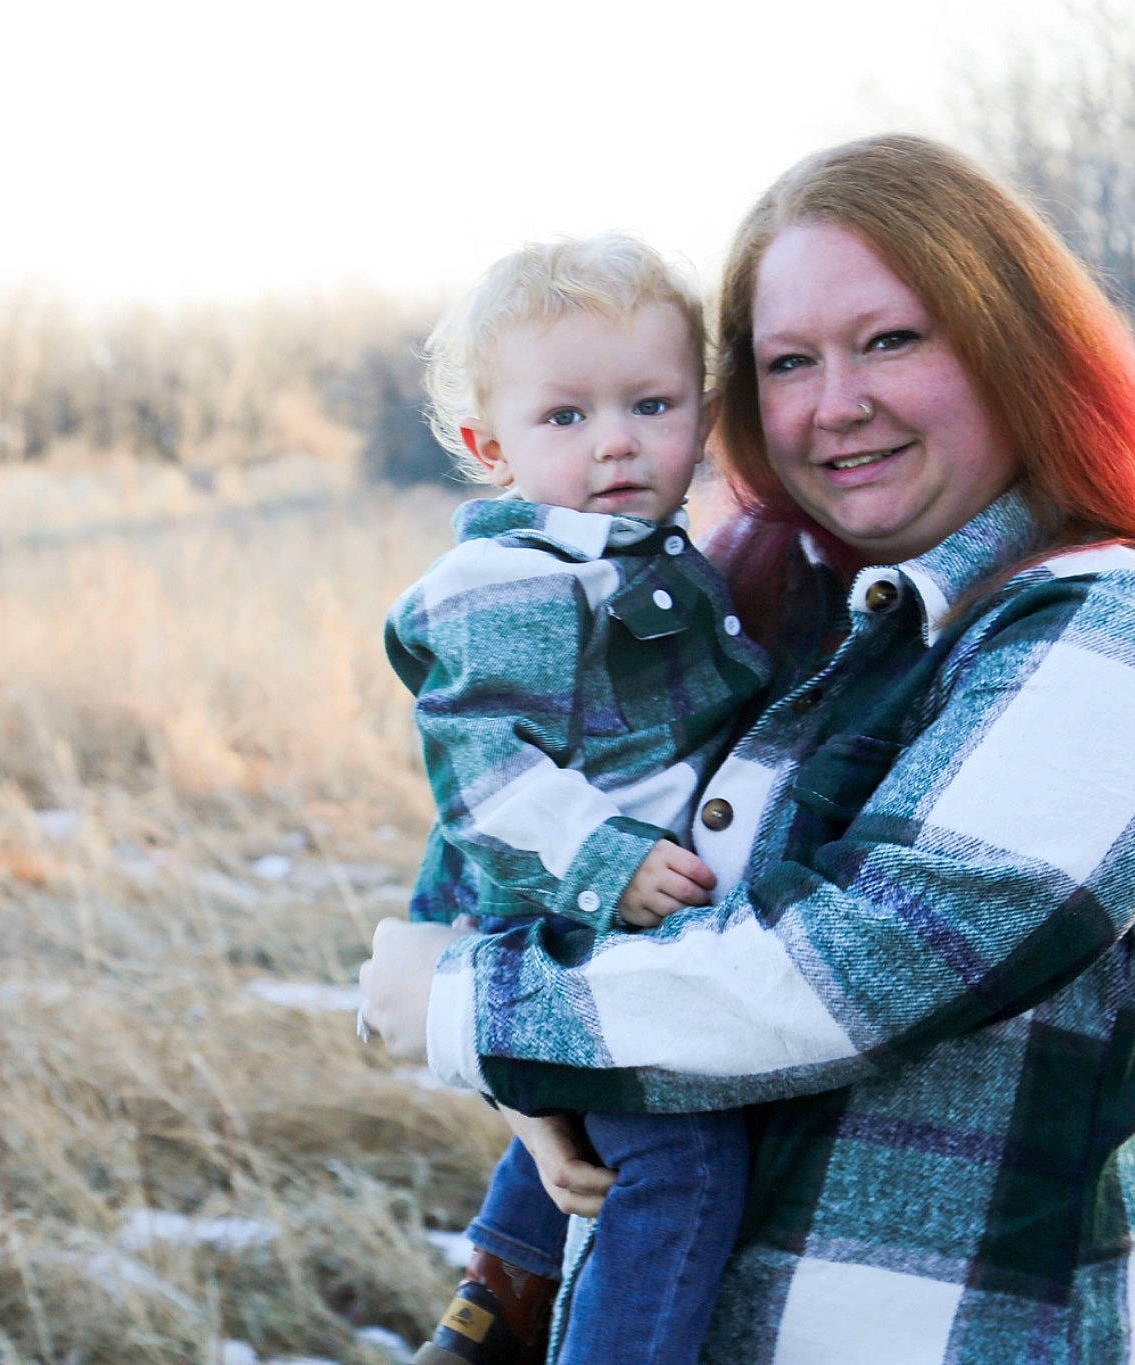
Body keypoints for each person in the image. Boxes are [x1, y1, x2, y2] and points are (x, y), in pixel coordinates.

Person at [360, 132, 1135, 1364]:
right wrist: (527, 1072)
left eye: (891, 340)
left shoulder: (1120, 632)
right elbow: (566, 861)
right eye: (788, 361)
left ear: (1014, 345)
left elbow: (848, 973)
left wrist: (470, 1006)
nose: (834, 403)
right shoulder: (779, 616)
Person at [385, 233, 773, 1365]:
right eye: (564, 418)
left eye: (649, 404)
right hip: (565, 910)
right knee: (679, 1161)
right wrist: (603, 859)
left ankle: (498, 1295)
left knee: (594, 1141)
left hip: (611, 910)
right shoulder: (506, 582)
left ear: (700, 417)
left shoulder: (646, 553)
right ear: (485, 444)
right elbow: (481, 773)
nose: (614, 441)